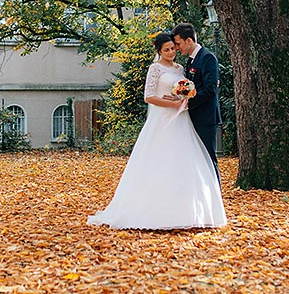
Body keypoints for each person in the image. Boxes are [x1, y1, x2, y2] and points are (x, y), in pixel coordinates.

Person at [88, 33, 226, 230]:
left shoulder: (180, 68)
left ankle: (186, 210)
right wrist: (173, 104)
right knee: (158, 160)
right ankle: (153, 210)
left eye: (173, 48)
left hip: (181, 118)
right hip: (162, 119)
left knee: (184, 161)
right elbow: (149, 96)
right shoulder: (155, 68)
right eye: (167, 49)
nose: (171, 52)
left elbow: (191, 89)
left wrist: (183, 99)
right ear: (159, 51)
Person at [172, 22, 220, 180]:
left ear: (189, 41)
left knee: (208, 158)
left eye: (178, 44)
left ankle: (215, 197)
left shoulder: (208, 58)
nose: (177, 48)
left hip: (205, 117)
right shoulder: (190, 61)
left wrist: (186, 103)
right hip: (192, 117)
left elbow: (210, 90)